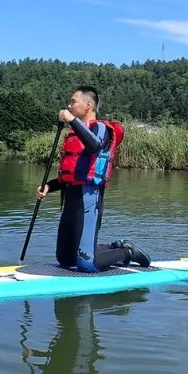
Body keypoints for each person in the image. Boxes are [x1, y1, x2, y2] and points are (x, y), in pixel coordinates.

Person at [36, 85, 150, 272]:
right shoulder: (74, 133)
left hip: (89, 198)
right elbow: (71, 174)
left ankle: (127, 252)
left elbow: (94, 145)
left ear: (88, 105)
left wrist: (71, 120)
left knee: (87, 264)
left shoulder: (101, 128)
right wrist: (49, 186)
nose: (69, 105)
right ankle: (110, 247)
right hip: (70, 197)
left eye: (73, 101)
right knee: (64, 259)